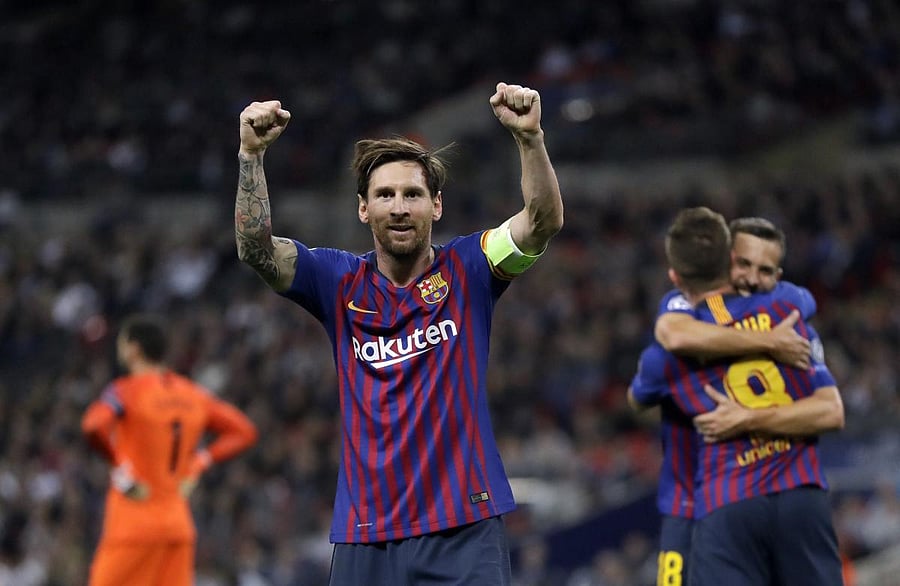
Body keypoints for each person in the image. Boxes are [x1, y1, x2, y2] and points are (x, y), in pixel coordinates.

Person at [234, 81, 563, 586]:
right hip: (367, 534)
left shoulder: (470, 266)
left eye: (412, 194)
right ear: (363, 209)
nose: (399, 207)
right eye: (385, 195)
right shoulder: (337, 280)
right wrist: (251, 156)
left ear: (437, 206)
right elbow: (256, 250)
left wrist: (530, 138)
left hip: (464, 527)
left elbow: (542, 222)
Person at [629, 207, 844, 586]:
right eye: (744, 264)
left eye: (765, 270)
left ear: (676, 276)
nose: (752, 278)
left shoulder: (673, 346)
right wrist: (770, 340)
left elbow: (639, 395)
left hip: (726, 498)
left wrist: (744, 417)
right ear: (727, 259)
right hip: (795, 496)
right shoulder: (787, 314)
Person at [81, 314, 258, 586]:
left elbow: (93, 426)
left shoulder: (126, 391)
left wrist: (119, 466)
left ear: (133, 348)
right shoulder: (192, 394)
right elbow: (244, 431)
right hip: (177, 527)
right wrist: (199, 462)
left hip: (133, 524)